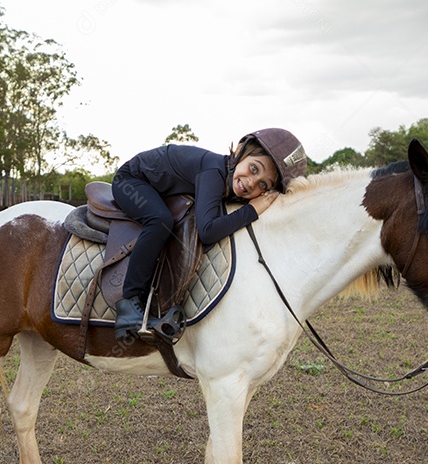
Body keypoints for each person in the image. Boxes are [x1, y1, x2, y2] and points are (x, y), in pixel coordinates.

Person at [111, 128, 308, 339]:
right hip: (130, 181)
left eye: (263, 184)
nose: (251, 182)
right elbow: (207, 231)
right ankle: (129, 304)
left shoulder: (228, 180)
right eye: (253, 168)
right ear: (240, 153)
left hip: (155, 185)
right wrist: (252, 210)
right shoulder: (213, 171)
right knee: (160, 221)